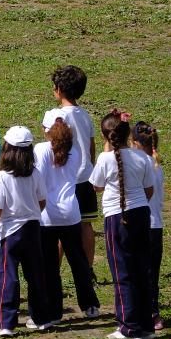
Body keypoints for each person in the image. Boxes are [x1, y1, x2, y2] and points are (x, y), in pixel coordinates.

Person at [91, 110, 159, 339]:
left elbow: (96, 186)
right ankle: (145, 324)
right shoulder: (142, 158)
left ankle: (128, 327)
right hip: (141, 214)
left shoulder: (104, 159)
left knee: (122, 272)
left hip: (116, 218)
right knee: (141, 269)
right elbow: (149, 189)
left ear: (106, 136)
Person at [0, 126, 52, 336]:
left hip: (11, 232)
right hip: (32, 228)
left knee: (8, 276)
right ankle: (41, 318)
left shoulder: (2, 177)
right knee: (35, 275)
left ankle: (6, 322)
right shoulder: (35, 173)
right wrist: (31, 213)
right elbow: (42, 201)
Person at [35, 112, 101, 320]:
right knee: (79, 261)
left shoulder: (41, 150)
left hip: (47, 216)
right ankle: (90, 305)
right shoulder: (75, 152)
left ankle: (54, 310)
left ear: (47, 132)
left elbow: (39, 179)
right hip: (71, 213)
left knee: (50, 265)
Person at [47, 64, 99, 263]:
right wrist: (90, 167)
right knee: (86, 225)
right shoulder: (85, 115)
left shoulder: (55, 116)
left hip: (64, 178)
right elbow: (91, 145)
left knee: (59, 227)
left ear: (59, 89)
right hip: (85, 176)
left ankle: (54, 271)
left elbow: (50, 142)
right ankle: (88, 269)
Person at [131, 120, 165, 332]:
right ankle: (153, 311)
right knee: (153, 273)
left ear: (135, 143)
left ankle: (143, 312)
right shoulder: (156, 165)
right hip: (156, 225)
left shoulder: (140, 166)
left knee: (137, 271)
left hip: (142, 224)